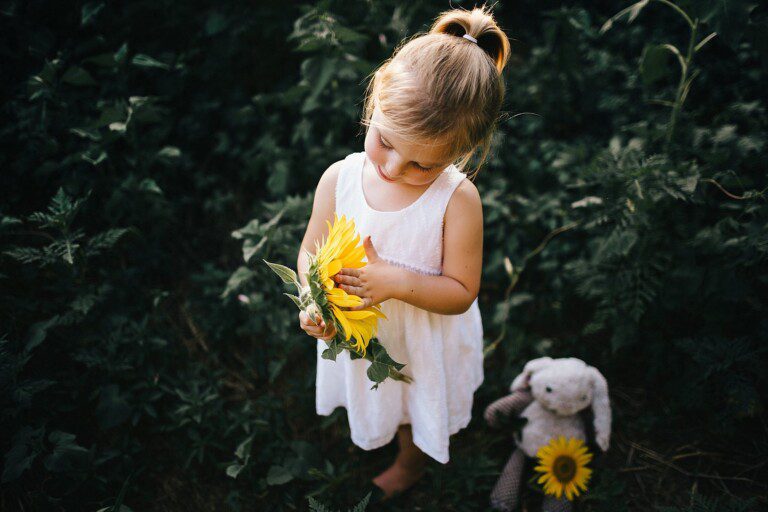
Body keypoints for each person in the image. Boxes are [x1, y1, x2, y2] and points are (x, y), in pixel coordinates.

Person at [296, 4, 511, 501]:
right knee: (381, 392)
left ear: (460, 154)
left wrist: (394, 281)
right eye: (385, 141)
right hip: (362, 329)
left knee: (416, 400)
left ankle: (411, 461)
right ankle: (384, 432)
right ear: (374, 106)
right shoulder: (340, 178)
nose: (393, 168)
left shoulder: (457, 200)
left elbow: (461, 291)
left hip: (422, 335)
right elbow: (310, 252)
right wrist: (313, 299)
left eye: (422, 164)